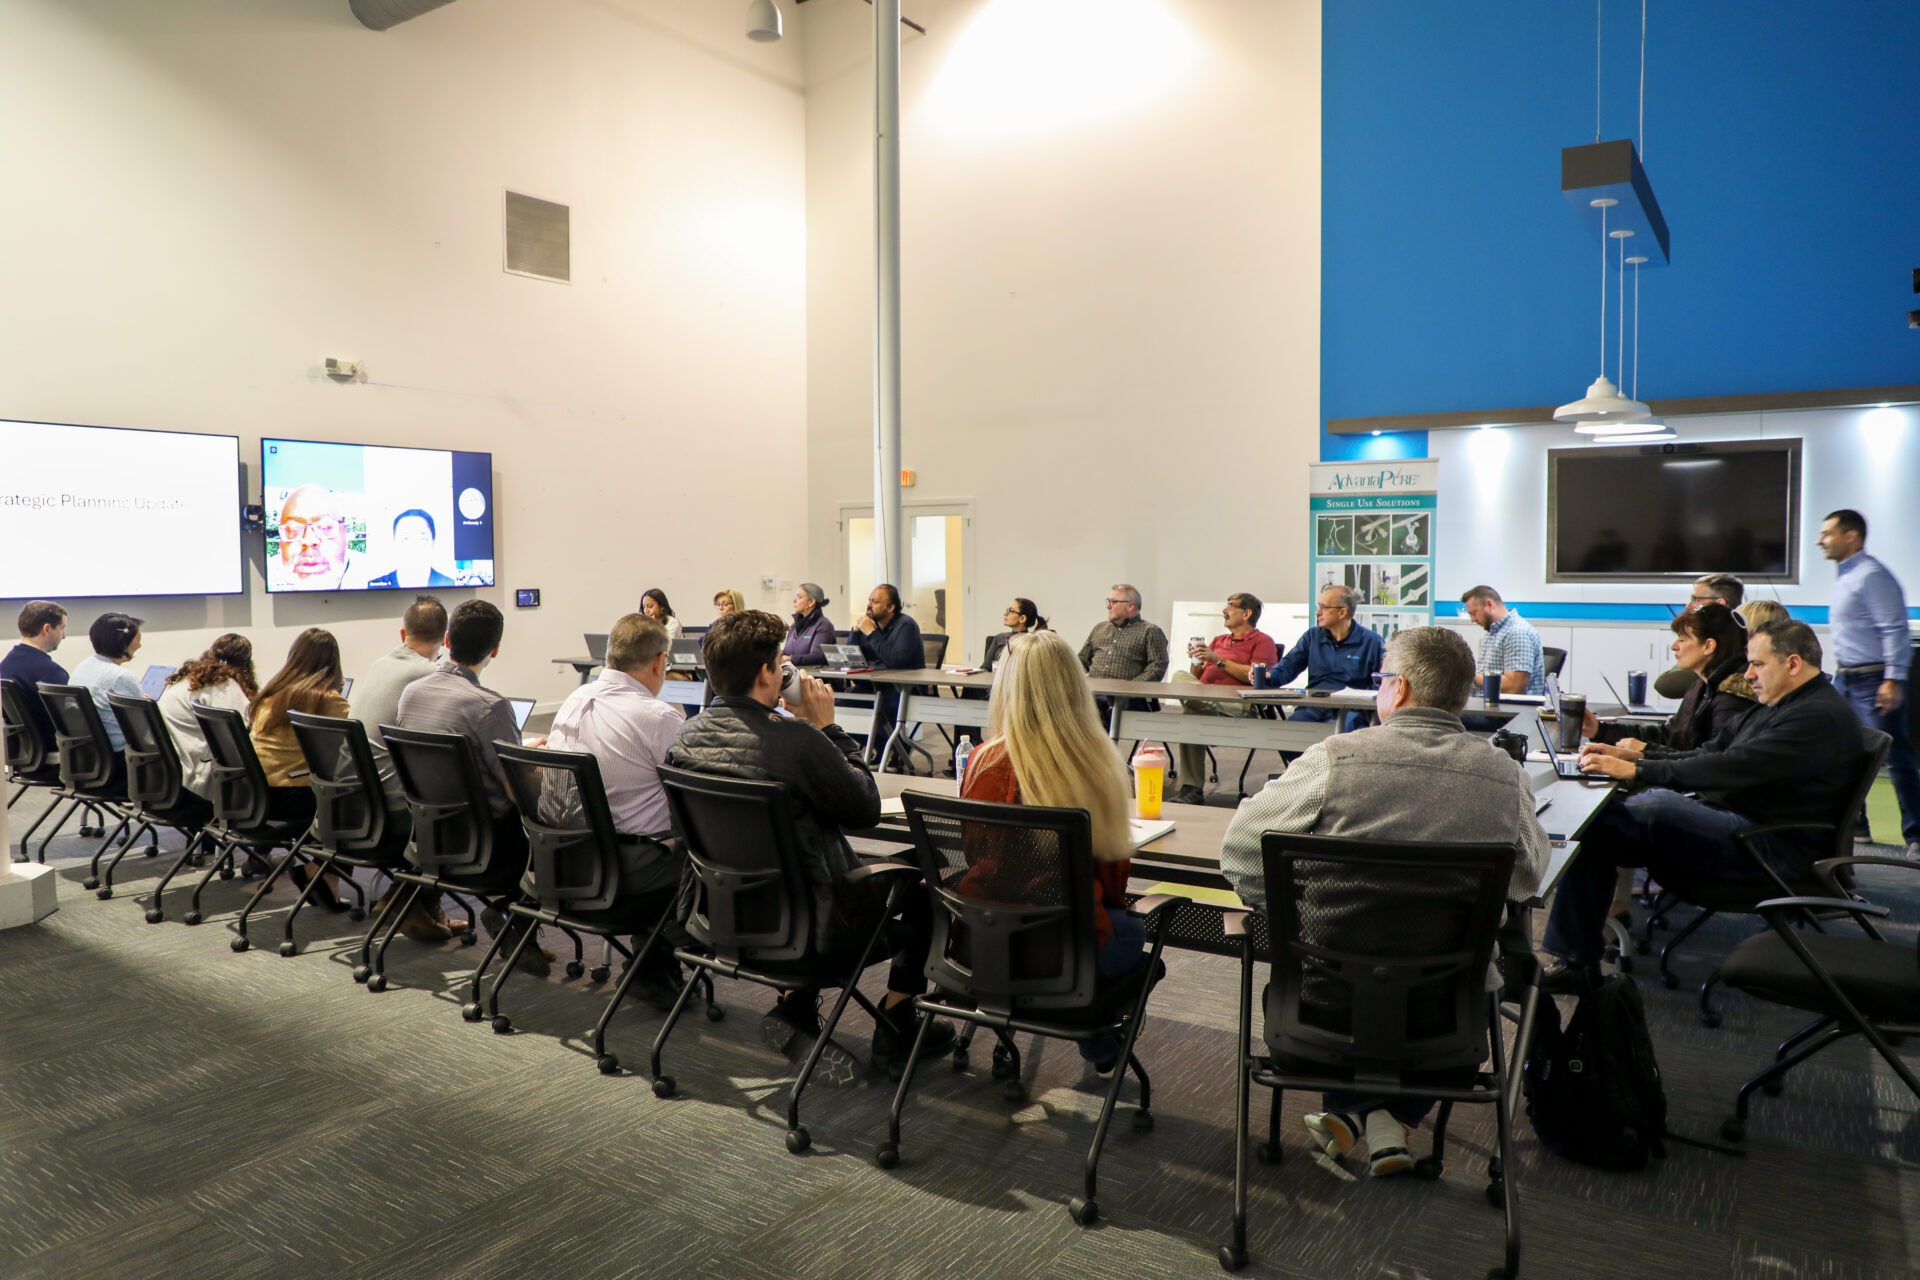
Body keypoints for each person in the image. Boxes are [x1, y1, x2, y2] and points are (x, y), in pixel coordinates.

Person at [1219, 626, 1547, 1176]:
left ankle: (1353, 1113)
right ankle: (1386, 1119)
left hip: (1319, 1014)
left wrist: (1292, 916)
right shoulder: (1505, 776)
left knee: (1356, 957)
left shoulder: (1334, 759)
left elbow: (1239, 851)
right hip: (1446, 1027)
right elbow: (1527, 878)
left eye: (1381, 679)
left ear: (1400, 688)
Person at [668, 609, 955, 1077]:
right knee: (923, 880)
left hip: (721, 914)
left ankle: (796, 1007)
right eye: (781, 660)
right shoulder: (798, 741)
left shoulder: (686, 736)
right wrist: (827, 728)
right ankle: (897, 1022)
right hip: (812, 935)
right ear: (767, 674)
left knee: (796, 865)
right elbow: (864, 808)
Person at [1544, 620, 1866, 974]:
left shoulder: (1816, 717)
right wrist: (1638, 757)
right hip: (1746, 829)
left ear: (1792, 664)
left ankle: (1572, 956)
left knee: (1653, 807)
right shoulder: (1779, 705)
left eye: (1757, 664)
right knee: (1601, 829)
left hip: (1769, 848)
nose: (1748, 675)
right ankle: (1575, 962)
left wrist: (1638, 771)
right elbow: (1710, 753)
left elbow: (1729, 768)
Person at [960, 630, 1145, 1071]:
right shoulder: (1095, 764)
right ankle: (1099, 1045)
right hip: (1061, 955)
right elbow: (1114, 884)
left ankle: (1092, 1040)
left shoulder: (981, 761)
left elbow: (974, 852)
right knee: (1130, 928)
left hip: (978, 943)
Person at [395, 599, 550, 971]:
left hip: (427, 837)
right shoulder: (491, 707)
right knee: (548, 825)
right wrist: (534, 763)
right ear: (494, 650)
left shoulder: (411, 693)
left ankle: (514, 921)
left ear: (447, 640)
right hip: (490, 846)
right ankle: (512, 913)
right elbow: (518, 793)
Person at [545, 613, 689, 1005]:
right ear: (660, 662)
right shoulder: (658, 717)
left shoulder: (574, 700)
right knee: (702, 850)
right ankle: (654, 967)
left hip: (562, 862)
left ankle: (653, 966)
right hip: (624, 875)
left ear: (610, 655)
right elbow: (692, 795)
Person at [351, 595, 453, 941]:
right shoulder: (430, 675)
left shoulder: (379, 665)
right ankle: (406, 901)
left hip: (353, 804)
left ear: (402, 633)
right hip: (390, 813)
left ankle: (406, 900)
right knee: (459, 813)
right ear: (446, 639)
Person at [1818, 508, 1918, 855]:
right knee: (1837, 750)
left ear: (1851, 536)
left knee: (1896, 758)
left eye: (1827, 533)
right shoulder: (1846, 576)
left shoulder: (1872, 576)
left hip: (1874, 680)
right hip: (1846, 678)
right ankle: (1856, 825)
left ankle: (1917, 836)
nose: (1820, 540)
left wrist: (1892, 680)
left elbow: (1894, 630)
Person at [250, 628, 353, 904]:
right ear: (332, 663)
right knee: (351, 802)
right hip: (292, 797)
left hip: (255, 795)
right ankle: (322, 873)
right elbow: (343, 757)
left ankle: (321, 872)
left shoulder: (269, 695)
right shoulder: (329, 700)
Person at [1168, 593, 1280, 805]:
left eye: (1230, 606)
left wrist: (1218, 660)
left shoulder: (1263, 642)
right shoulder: (1219, 640)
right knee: (1180, 677)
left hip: (1238, 706)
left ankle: (1191, 790)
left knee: (1190, 715)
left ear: (1246, 614)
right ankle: (1206, 709)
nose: (1224, 611)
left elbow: (1257, 678)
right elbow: (1195, 678)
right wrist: (1197, 659)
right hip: (1208, 700)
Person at [1268, 584, 1386, 727]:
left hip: (1353, 710)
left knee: (1341, 732)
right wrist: (1268, 676)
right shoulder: (1312, 637)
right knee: (1290, 730)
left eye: (1323, 607)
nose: (1318, 612)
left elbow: (1385, 682)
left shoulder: (1372, 642)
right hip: (1315, 706)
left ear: (1342, 613)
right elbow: (1288, 666)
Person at [159, 634, 257, 800]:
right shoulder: (221, 684)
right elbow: (245, 732)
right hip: (198, 782)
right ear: (246, 667)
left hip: (171, 777)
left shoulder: (188, 678)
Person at [853, 583, 925, 754]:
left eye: (875, 601)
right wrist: (855, 632)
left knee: (884, 705)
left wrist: (871, 633)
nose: (869, 605)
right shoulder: (872, 625)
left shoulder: (906, 626)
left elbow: (896, 661)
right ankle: (882, 747)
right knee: (841, 703)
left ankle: (896, 750)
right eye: (869, 600)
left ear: (891, 607)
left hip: (903, 689)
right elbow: (852, 658)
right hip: (876, 686)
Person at [68, 613, 146, 755]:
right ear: (123, 642)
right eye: (138, 639)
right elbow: (144, 726)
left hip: (91, 752)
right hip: (122, 754)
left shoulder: (84, 666)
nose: (140, 645)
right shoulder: (122, 677)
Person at [2, 600, 69, 752]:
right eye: (61, 629)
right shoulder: (52, 673)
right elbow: (70, 725)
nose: (63, 636)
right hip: (53, 754)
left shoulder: (5, 665)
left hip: (23, 752)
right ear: (47, 629)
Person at [271, 485, 362, 591]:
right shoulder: (266, 576)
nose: (309, 541)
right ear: (280, 542)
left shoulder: (372, 574)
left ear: (345, 535)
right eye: (293, 529)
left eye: (325, 527)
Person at [1460, 585, 1544, 696]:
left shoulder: (1517, 633)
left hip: (1510, 706)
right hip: (1490, 702)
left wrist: (1469, 676)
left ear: (1489, 605)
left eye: (1474, 613)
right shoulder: (1493, 632)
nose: (1473, 619)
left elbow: (1514, 687)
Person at [1078, 584, 1169, 685]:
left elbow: (1157, 668)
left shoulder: (1150, 631)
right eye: (1108, 601)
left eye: (1114, 602)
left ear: (1130, 606)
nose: (1108, 606)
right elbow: (1081, 662)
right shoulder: (1099, 629)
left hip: (1128, 693)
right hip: (1093, 691)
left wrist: (1130, 688)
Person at [365, 509, 455, 589]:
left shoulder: (449, 583)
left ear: (433, 542)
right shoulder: (376, 585)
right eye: (405, 538)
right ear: (395, 543)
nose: (413, 545)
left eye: (421, 538)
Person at [982, 598, 1046, 673]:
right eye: (1007, 610)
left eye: (1011, 611)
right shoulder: (999, 638)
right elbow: (985, 668)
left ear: (1022, 618)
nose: (1005, 614)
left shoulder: (1033, 642)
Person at [783, 583, 835, 666]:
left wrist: (791, 659)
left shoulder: (824, 625)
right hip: (792, 671)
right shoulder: (793, 626)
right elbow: (786, 652)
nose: (794, 600)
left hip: (812, 673)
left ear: (811, 602)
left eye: (799, 597)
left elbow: (817, 656)